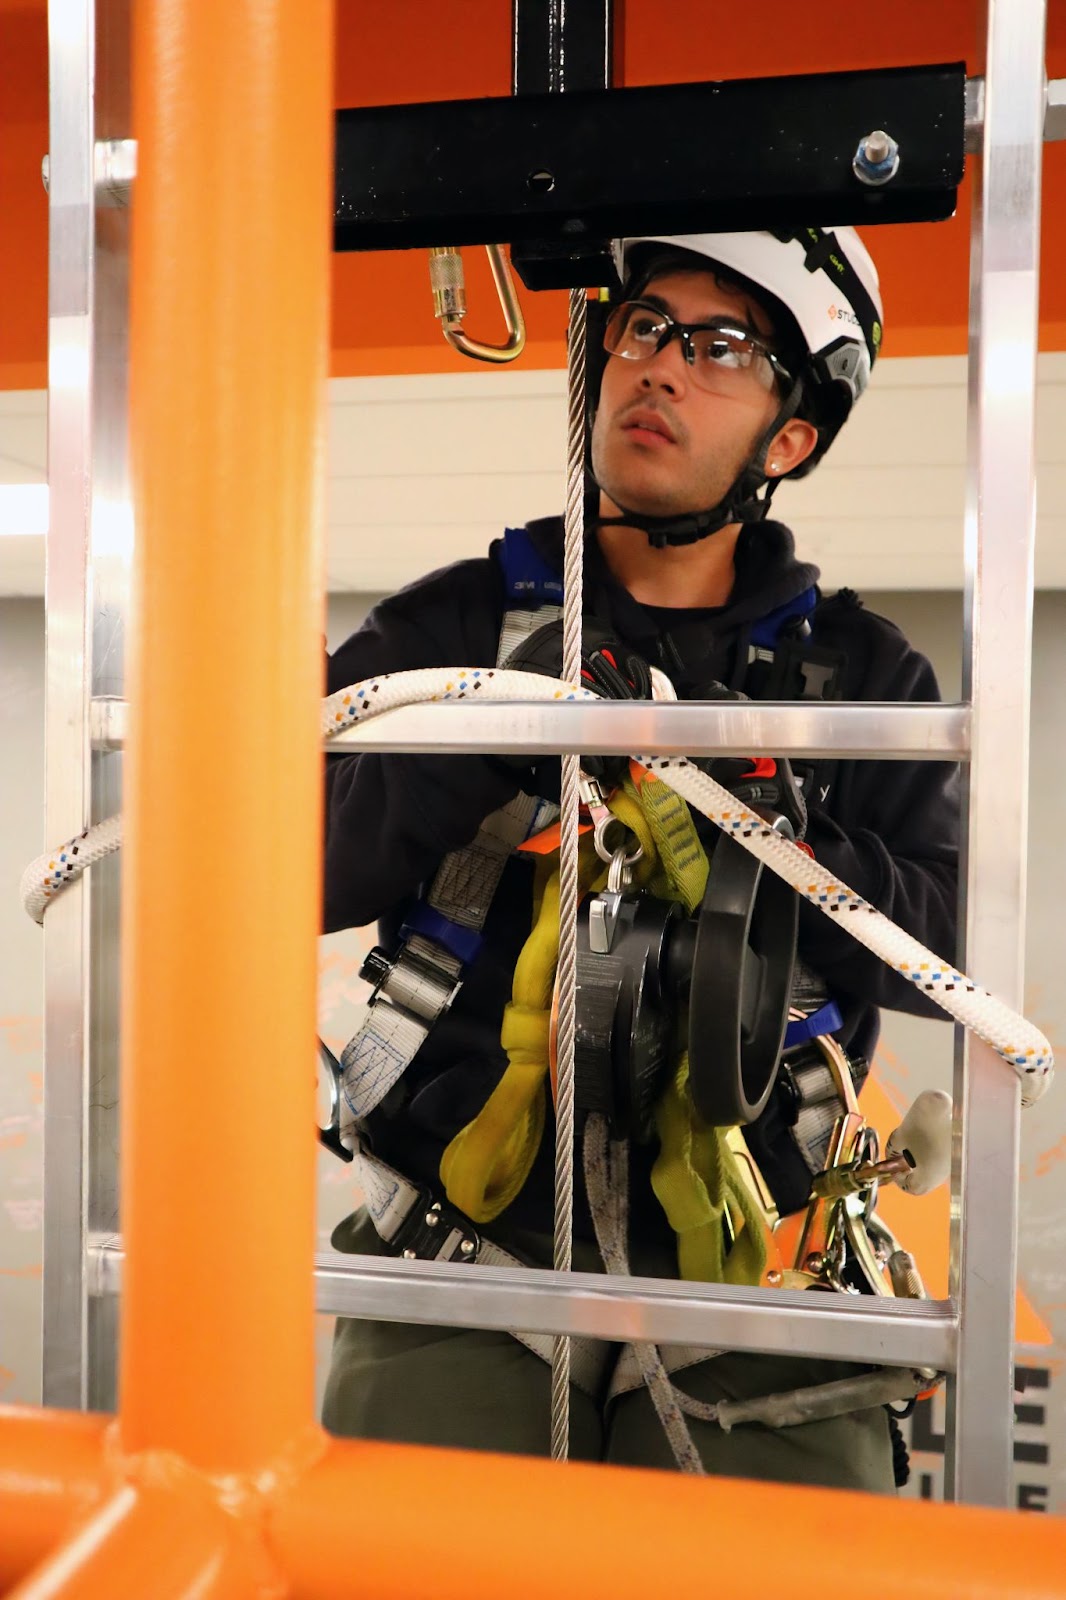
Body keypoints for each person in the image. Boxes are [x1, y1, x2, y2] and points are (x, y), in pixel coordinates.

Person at [319, 228, 959, 1491]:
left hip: (765, 1280)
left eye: (721, 347)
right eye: (644, 326)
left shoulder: (864, 684)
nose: (659, 367)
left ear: (790, 437)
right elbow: (275, 866)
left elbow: (943, 953)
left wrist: (756, 806)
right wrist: (490, 727)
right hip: (461, 1264)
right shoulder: (450, 627)